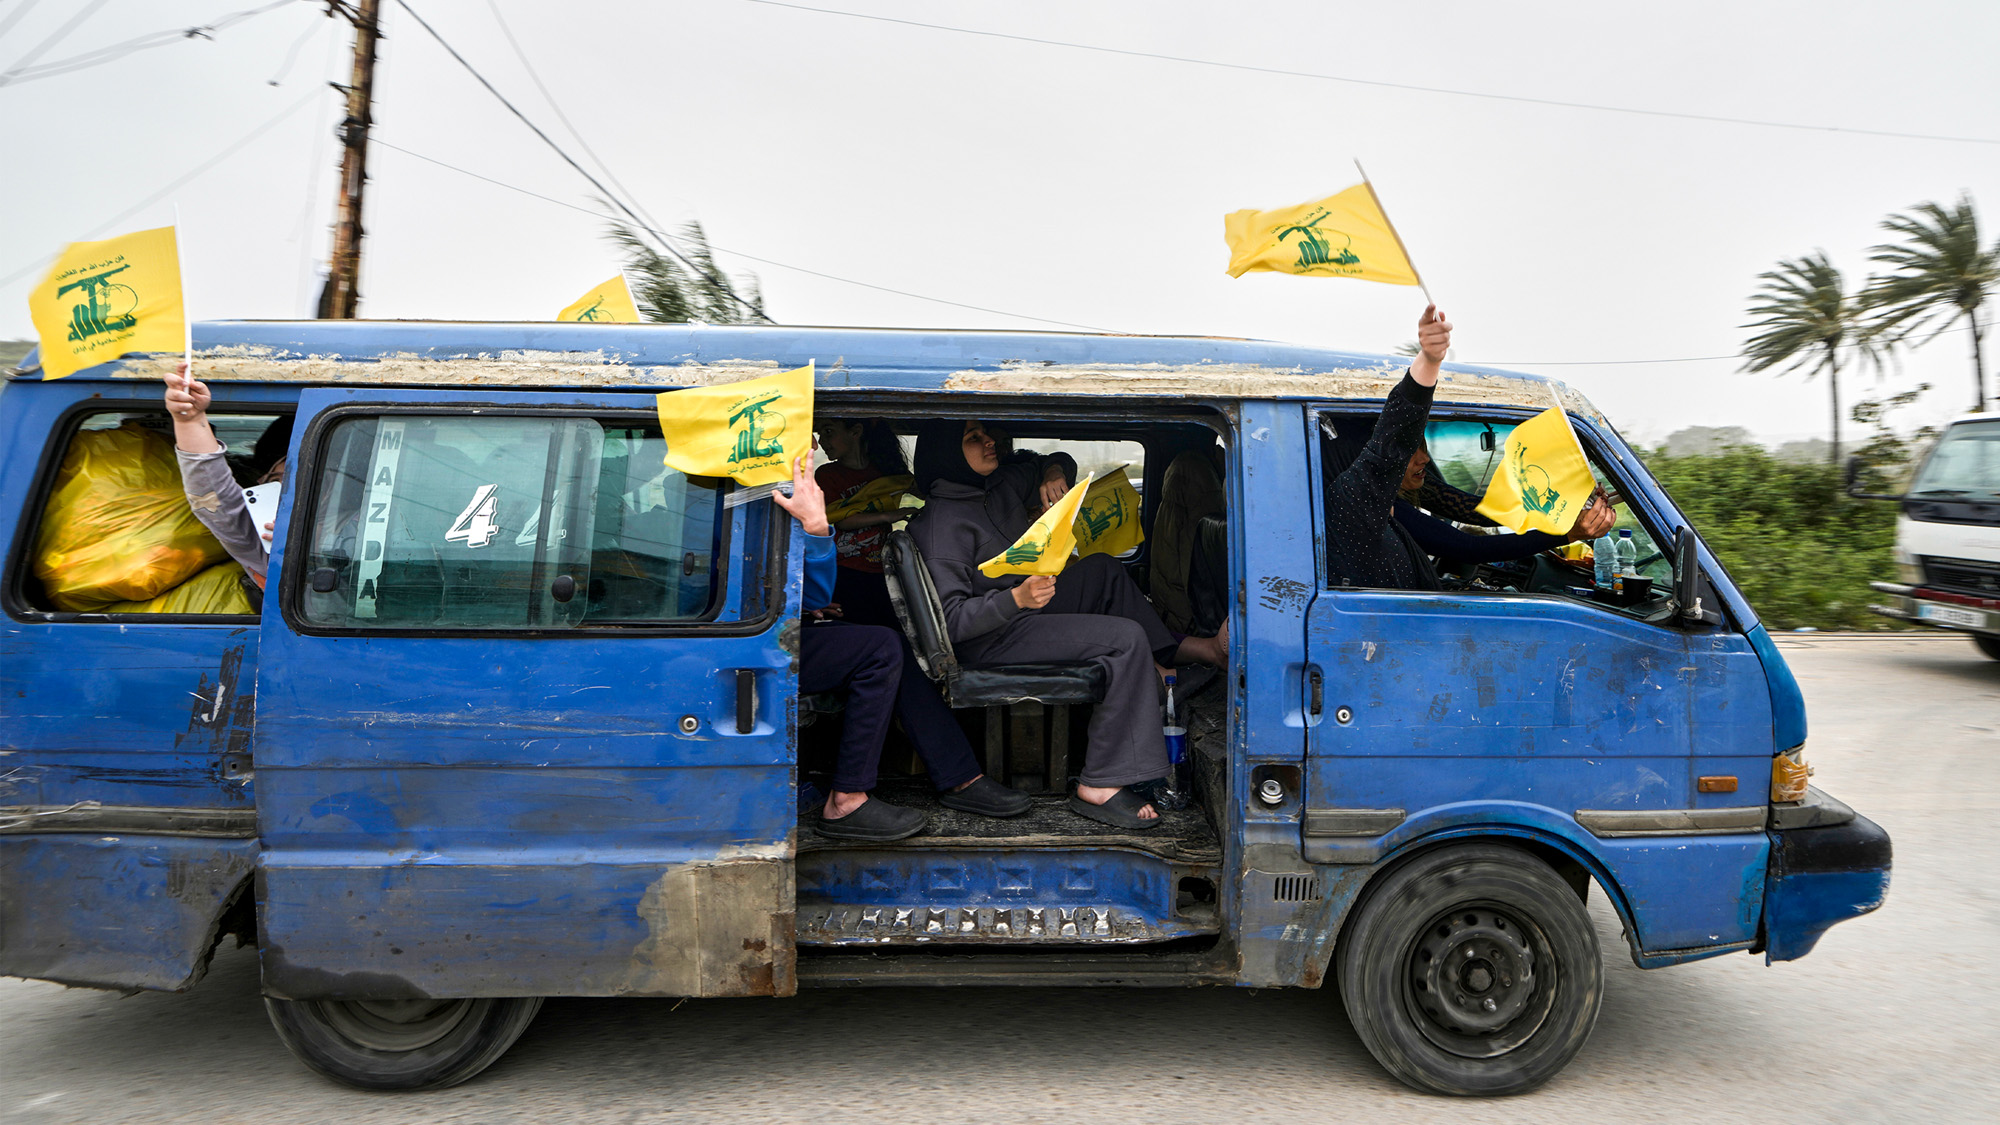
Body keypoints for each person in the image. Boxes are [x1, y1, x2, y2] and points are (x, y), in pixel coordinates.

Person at [906, 420, 1226, 830]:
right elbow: (950, 623)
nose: (991, 441)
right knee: (1122, 640)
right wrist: (1015, 599)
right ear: (946, 454)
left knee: (1103, 571)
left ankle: (1170, 660)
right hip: (991, 637)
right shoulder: (941, 525)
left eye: (987, 433)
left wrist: (1053, 475)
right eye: (973, 439)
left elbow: (1052, 461)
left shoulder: (997, 484)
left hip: (1025, 607)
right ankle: (1101, 784)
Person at [773, 455, 1033, 842]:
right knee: (880, 647)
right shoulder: (744, 497)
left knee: (889, 646)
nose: (813, 445)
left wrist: (797, 602)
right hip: (749, 642)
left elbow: (806, 591)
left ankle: (960, 777)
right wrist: (815, 525)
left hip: (785, 622)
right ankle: (846, 800)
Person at [162, 363, 288, 589]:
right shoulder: (268, 539)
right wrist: (190, 419)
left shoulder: (366, 519)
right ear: (260, 483)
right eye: (276, 482)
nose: (288, 493)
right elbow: (214, 496)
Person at [814, 418, 918, 629]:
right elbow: (842, 519)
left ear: (856, 431)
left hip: (882, 571)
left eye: (828, 431)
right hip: (841, 572)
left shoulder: (885, 471)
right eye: (820, 434)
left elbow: (920, 489)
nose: (821, 441)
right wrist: (888, 515)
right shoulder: (827, 475)